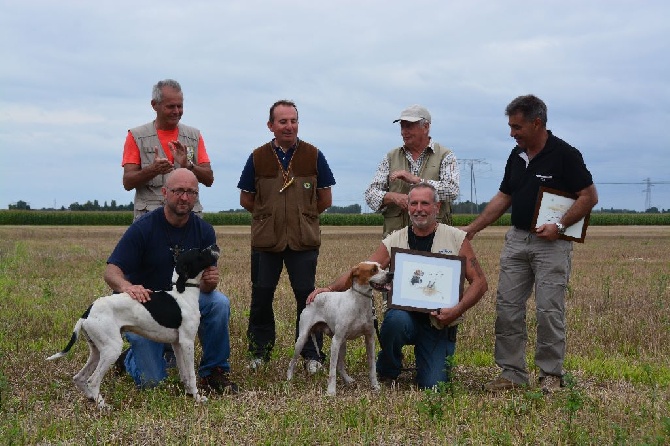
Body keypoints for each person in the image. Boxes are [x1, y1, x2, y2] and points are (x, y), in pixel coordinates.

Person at [463, 94, 598, 393]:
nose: (512, 133)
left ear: (537, 123)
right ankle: (512, 374)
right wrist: (472, 229)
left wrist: (560, 225)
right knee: (507, 307)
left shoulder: (565, 154)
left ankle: (551, 374)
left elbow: (589, 196)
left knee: (549, 309)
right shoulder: (516, 156)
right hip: (516, 240)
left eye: (517, 127)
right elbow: (504, 197)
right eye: (511, 127)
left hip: (552, 244)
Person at [309, 183, 487, 388]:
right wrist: (330, 289)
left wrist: (456, 310)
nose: (419, 209)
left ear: (437, 207)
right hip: (405, 317)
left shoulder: (456, 238)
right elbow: (363, 269)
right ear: (408, 207)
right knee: (394, 320)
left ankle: (428, 359)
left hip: (440, 322)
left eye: (425, 203)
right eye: (414, 203)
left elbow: (480, 283)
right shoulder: (396, 238)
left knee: (433, 385)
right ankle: (389, 366)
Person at [105, 168, 238, 394]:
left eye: (190, 192)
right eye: (178, 191)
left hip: (181, 302)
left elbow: (205, 285)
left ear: (196, 196)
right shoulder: (143, 228)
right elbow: (111, 271)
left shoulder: (204, 231)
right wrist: (127, 288)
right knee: (153, 383)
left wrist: (210, 282)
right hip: (146, 309)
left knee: (218, 303)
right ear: (165, 193)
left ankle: (214, 371)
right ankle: (128, 359)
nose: (184, 197)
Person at [237, 100, 336, 373]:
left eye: (293, 121)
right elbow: (246, 197)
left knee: (307, 297)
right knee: (261, 297)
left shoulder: (313, 155)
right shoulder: (257, 157)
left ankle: (312, 354)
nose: (289, 126)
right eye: (283, 121)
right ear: (271, 126)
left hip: (303, 241)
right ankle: (260, 352)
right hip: (266, 241)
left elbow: (325, 198)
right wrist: (267, 215)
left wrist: (303, 216)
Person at [122, 79, 214, 220]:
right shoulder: (137, 136)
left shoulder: (193, 137)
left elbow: (209, 179)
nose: (176, 111)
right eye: (171, 107)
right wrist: (153, 169)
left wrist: (189, 166)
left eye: (180, 106)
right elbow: (128, 182)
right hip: (150, 220)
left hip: (187, 219)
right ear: (154, 105)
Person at [365, 105, 460, 237]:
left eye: (409, 126)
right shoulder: (390, 157)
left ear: (426, 127)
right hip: (396, 239)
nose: (404, 132)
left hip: (435, 240)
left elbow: (452, 191)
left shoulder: (445, 155)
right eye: (402, 126)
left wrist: (417, 181)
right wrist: (393, 197)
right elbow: (370, 195)